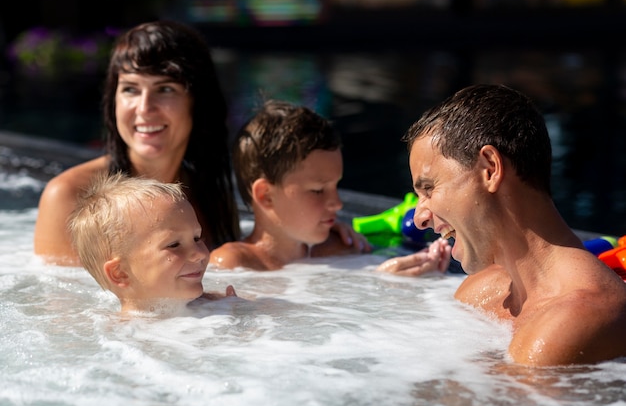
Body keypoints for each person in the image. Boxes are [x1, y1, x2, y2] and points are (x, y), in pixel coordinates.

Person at [404, 83, 626, 366]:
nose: (420, 216)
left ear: (490, 169)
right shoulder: (479, 291)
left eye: (429, 188)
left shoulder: (577, 320)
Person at [34, 20, 240, 266]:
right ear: (114, 100)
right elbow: (62, 301)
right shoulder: (71, 197)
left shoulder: (210, 193)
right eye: (131, 89)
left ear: (198, 102)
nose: (144, 108)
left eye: (165, 89)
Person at [209, 99, 451, 274]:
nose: (337, 203)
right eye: (318, 190)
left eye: (336, 186)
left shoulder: (337, 250)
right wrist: (382, 286)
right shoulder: (231, 263)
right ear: (266, 196)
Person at [68, 172, 236, 314]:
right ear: (120, 273)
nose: (199, 254)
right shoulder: (127, 337)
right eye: (174, 245)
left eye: (196, 238)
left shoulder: (214, 303)